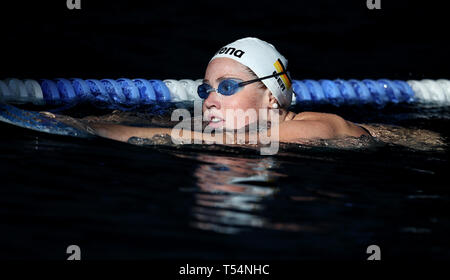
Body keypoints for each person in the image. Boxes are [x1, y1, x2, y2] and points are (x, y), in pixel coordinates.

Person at [88, 37, 370, 144]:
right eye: (206, 90)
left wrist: (93, 130)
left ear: (271, 97)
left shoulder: (322, 126)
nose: (210, 100)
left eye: (227, 87)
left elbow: (190, 136)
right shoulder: (240, 127)